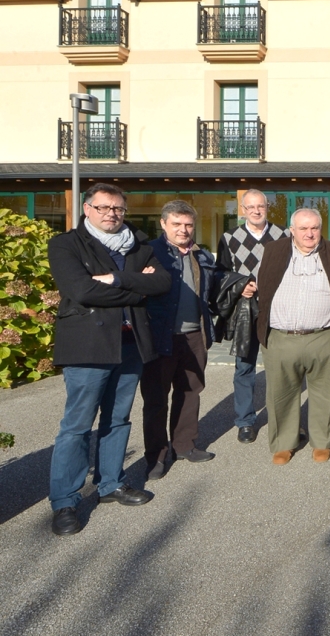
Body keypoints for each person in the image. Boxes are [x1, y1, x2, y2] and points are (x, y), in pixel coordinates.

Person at [47, 183, 171, 536]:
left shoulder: (139, 244)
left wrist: (117, 279)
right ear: (87, 209)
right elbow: (81, 290)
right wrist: (137, 290)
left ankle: (110, 484)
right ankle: (65, 501)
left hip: (130, 344)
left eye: (117, 208)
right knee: (77, 425)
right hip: (88, 346)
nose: (112, 214)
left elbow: (162, 283)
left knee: (118, 419)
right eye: (103, 207)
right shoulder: (66, 244)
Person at [256, 209, 330, 465]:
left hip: (324, 336)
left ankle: (322, 441)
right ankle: (283, 443)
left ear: (321, 229)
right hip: (281, 337)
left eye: (314, 228)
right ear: (292, 230)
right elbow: (261, 284)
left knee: (325, 393)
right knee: (281, 394)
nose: (309, 234)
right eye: (303, 229)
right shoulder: (272, 251)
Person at [141, 201, 221, 481]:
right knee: (156, 399)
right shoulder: (149, 253)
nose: (183, 230)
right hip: (159, 336)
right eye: (176, 224)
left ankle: (184, 445)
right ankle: (156, 455)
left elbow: (214, 289)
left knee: (190, 392)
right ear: (163, 224)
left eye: (188, 224)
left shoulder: (202, 255)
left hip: (195, 335)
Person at [216, 189, 287, 444]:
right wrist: (240, 285)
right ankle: (245, 422)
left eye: (261, 206)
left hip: (277, 311)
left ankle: (283, 420)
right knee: (244, 368)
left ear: (267, 207)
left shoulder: (283, 235)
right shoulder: (229, 238)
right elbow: (221, 273)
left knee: (280, 369)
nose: (256, 211)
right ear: (242, 210)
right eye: (251, 207)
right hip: (245, 311)